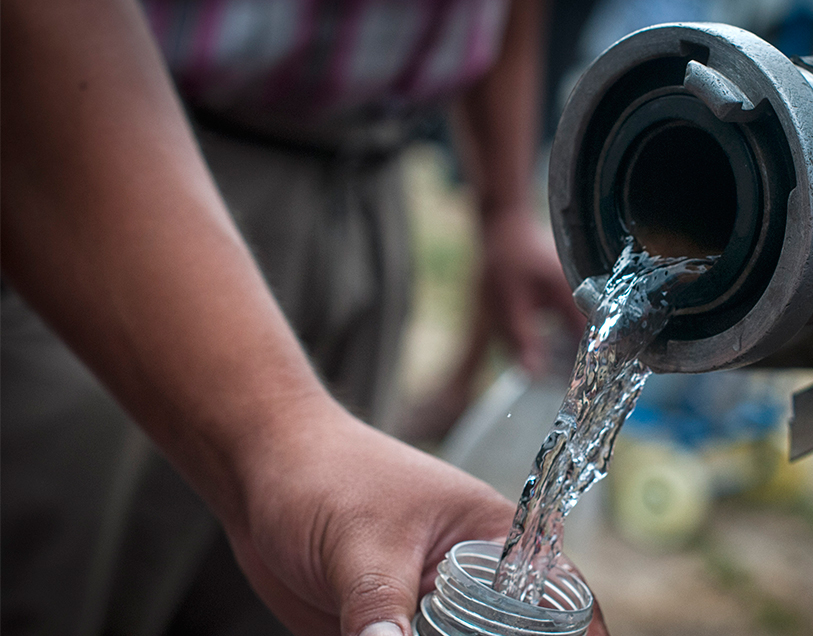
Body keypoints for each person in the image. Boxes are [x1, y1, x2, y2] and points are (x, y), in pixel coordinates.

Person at [1, 1, 600, 635]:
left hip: (369, 181)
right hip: (130, 151)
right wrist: (285, 432)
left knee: (287, 603)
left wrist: (505, 205)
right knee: (62, 575)